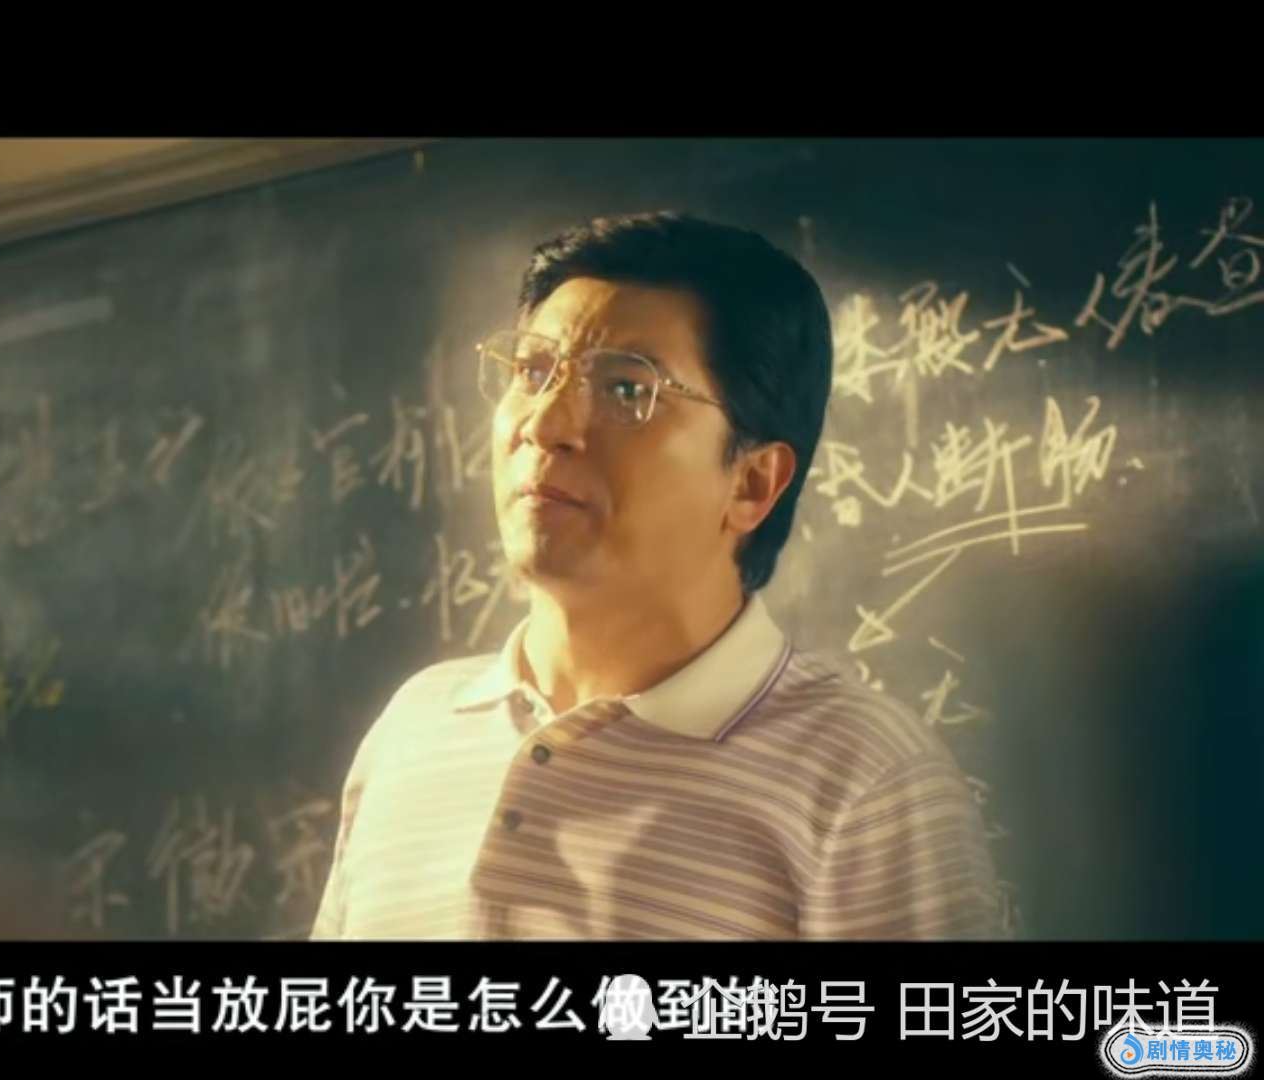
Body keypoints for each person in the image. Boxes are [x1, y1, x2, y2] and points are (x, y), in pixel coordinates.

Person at [310, 212, 1006, 940]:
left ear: (752, 483)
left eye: (624, 389)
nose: (545, 425)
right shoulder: (413, 729)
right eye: (533, 372)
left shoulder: (864, 782)